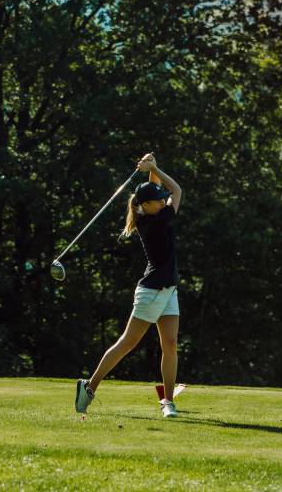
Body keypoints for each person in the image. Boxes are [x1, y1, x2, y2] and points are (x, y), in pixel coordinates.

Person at [75, 152, 182, 418]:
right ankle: (89, 386)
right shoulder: (155, 221)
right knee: (127, 343)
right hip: (151, 291)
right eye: (157, 199)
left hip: (168, 289)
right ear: (147, 206)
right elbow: (176, 189)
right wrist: (155, 168)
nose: (162, 200)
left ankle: (168, 401)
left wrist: (150, 169)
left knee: (170, 344)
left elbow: (158, 189)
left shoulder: (151, 211)